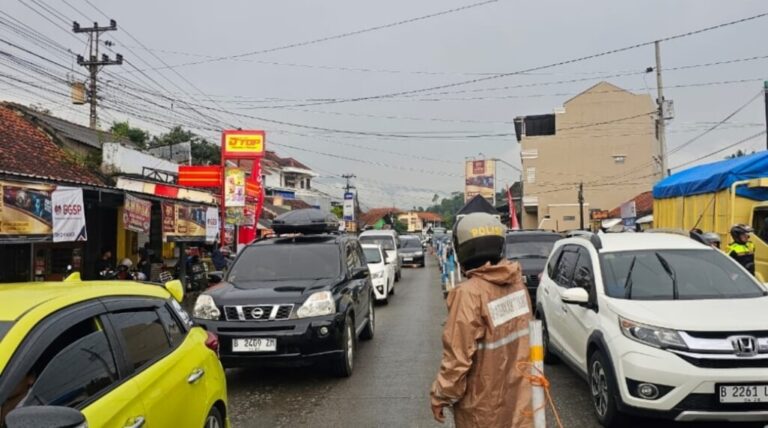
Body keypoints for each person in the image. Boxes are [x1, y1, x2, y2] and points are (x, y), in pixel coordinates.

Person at [430, 213, 532, 427]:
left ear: (463, 251)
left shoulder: (469, 294)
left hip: (482, 407)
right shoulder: (517, 286)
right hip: (520, 400)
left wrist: (441, 395)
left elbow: (457, 358)